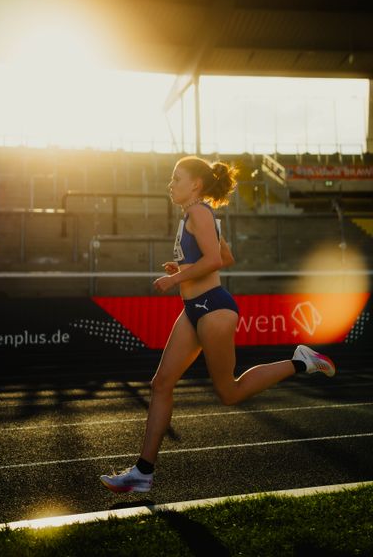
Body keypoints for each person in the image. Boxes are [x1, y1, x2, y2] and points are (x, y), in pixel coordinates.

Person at [100, 156, 335, 493]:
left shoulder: (199, 212)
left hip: (213, 308)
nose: (171, 183)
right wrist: (182, 265)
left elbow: (214, 262)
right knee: (161, 383)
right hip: (194, 308)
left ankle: (302, 362)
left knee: (229, 391)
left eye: (176, 178)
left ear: (195, 184)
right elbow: (225, 258)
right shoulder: (197, 214)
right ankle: (143, 472)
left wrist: (176, 277)